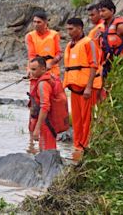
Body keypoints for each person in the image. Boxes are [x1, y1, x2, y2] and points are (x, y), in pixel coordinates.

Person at [63, 18, 102, 150]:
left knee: (87, 119)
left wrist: (89, 87)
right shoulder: (70, 45)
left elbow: (94, 65)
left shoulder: (88, 43)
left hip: (86, 89)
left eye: (71, 29)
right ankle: (77, 146)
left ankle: (85, 146)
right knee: (76, 120)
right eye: (67, 29)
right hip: (74, 89)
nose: (69, 32)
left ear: (80, 28)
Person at [28, 57, 69, 151]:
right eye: (30, 69)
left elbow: (45, 107)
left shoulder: (43, 84)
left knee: (47, 152)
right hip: (50, 122)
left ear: (43, 69)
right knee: (47, 151)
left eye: (34, 69)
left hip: (47, 123)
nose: (31, 72)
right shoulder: (51, 76)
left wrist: (37, 128)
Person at [25, 11, 62, 77]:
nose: (36, 24)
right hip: (36, 70)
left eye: (39, 22)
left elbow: (59, 54)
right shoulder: (30, 36)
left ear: (45, 22)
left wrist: (50, 63)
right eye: (34, 22)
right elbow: (31, 55)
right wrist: (30, 69)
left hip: (52, 70)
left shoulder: (54, 35)